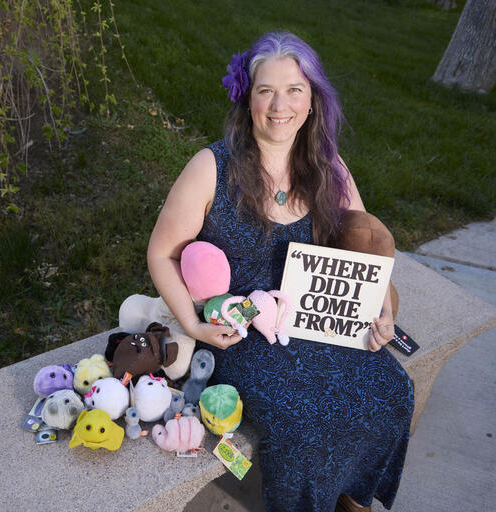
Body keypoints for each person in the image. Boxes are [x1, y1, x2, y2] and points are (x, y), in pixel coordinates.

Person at [147, 32, 413, 512]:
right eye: (265, 90)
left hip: (315, 316)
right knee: (302, 421)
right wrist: (193, 325)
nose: (279, 106)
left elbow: (366, 255)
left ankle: (354, 500)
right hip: (242, 330)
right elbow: (162, 252)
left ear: (312, 101)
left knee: (392, 389)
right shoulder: (211, 167)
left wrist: (383, 313)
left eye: (294, 90)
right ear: (247, 98)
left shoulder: (329, 167)